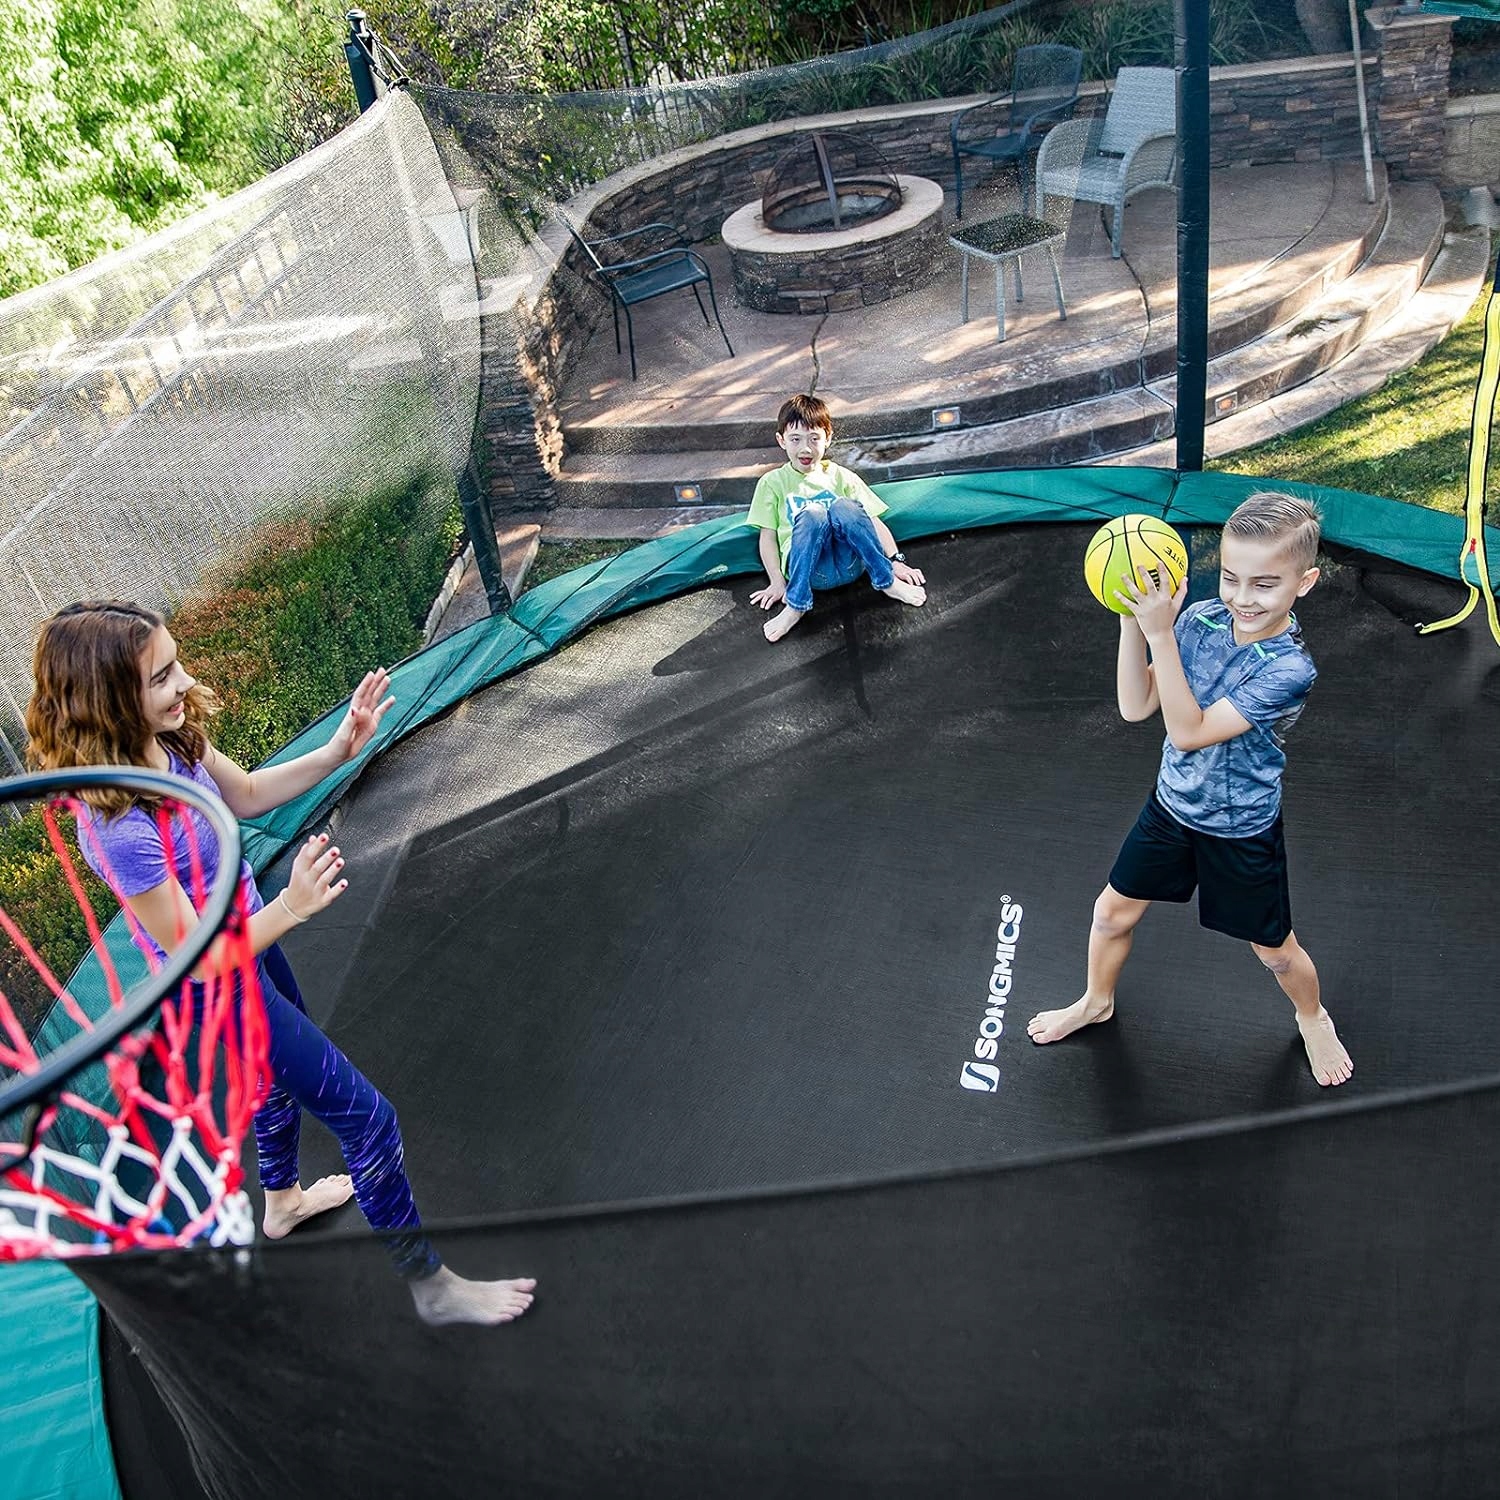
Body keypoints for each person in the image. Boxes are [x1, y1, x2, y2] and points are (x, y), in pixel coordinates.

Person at [26, 601, 538, 1324]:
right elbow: (198, 961)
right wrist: (293, 907)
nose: (185, 682)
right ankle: (431, 1288)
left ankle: (282, 1202)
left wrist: (337, 751)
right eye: (162, 677)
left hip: (252, 941)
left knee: (272, 1083)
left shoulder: (172, 743)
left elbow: (245, 793)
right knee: (370, 1120)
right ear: (109, 701)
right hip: (217, 987)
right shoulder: (120, 829)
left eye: (175, 664)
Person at [1028, 493, 1353, 1088]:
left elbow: (1189, 731)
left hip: (1241, 827)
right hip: (1173, 808)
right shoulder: (1200, 620)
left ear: (1304, 583)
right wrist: (1132, 620)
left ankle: (1313, 1017)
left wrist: (1160, 634)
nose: (1243, 598)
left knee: (1275, 951)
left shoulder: (1288, 669)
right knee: (1110, 914)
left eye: (1265, 584)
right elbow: (1136, 706)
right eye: (1230, 577)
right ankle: (1097, 1001)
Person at [747, 392, 927, 643]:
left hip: (852, 563)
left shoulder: (840, 476)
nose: (805, 448)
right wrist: (777, 581)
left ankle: (887, 582)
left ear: (828, 438)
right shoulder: (772, 483)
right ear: (782, 441)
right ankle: (796, 604)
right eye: (795, 439)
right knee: (812, 515)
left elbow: (872, 521)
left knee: (845, 507)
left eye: (814, 438)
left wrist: (895, 560)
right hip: (811, 572)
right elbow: (768, 537)